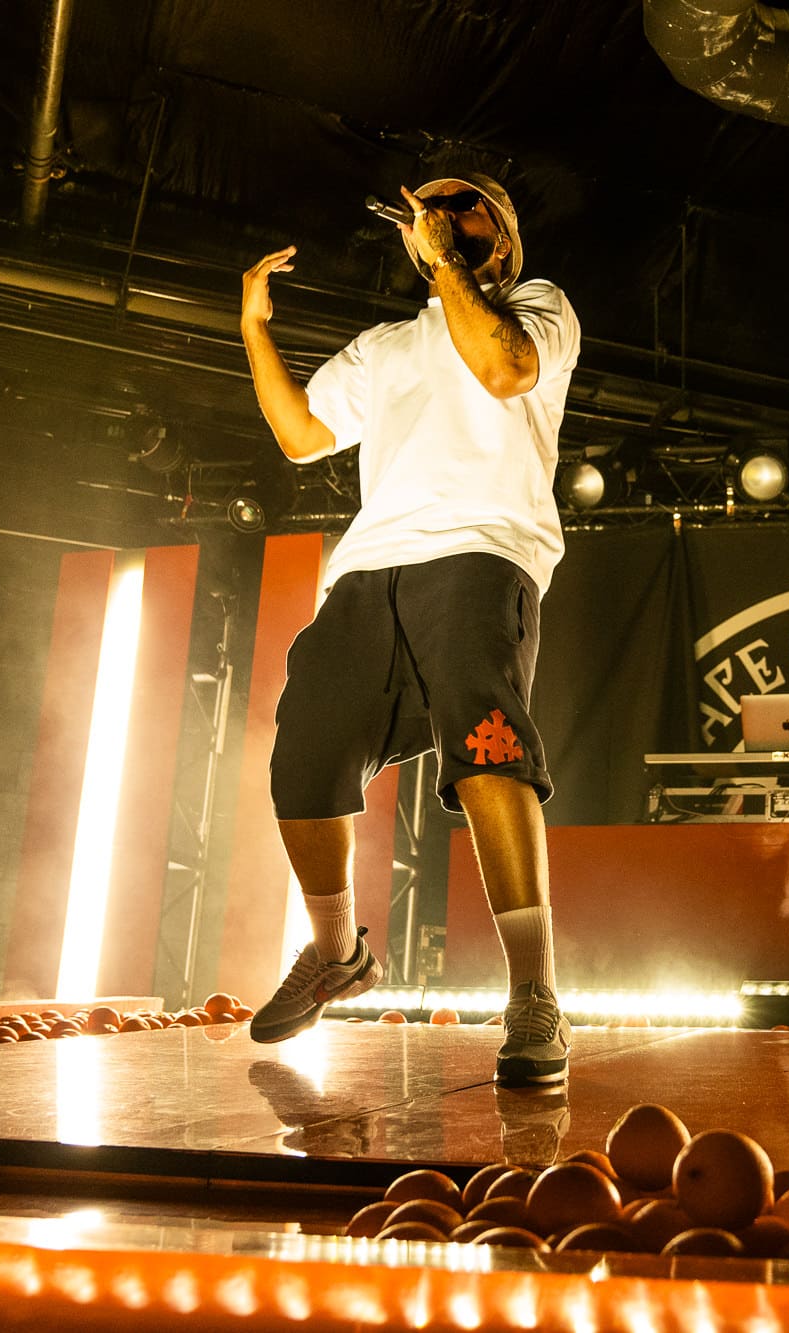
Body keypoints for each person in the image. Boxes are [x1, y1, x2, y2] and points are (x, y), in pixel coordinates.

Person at [237, 173, 580, 1087]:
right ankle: (335, 949)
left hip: (480, 552)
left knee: (488, 750)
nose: (440, 215)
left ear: (500, 239)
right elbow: (304, 436)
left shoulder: (539, 307)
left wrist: (446, 268)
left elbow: (504, 369)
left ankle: (534, 993)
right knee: (303, 754)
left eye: (465, 204)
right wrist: (253, 332)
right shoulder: (384, 346)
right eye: (426, 207)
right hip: (368, 568)